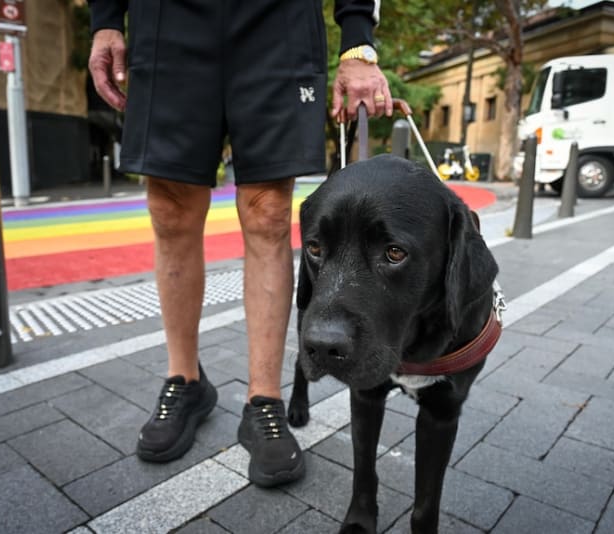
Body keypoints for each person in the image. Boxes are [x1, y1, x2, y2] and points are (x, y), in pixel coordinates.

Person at [88, 0, 392, 487]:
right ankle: (185, 382)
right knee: (169, 206)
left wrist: (357, 38)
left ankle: (264, 400)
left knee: (270, 211)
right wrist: (105, 20)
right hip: (168, 20)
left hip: (276, 20)